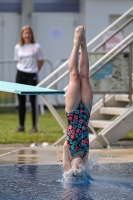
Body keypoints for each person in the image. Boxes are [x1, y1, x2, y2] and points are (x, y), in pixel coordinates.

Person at [62, 26, 93, 178]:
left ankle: (76, 42)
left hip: (73, 113)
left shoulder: (68, 150)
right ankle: (84, 42)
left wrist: (71, 172)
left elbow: (66, 175)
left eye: (77, 167)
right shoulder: (85, 153)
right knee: (85, 76)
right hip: (85, 112)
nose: (80, 165)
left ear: (72, 164)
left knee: (75, 76)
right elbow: (86, 176)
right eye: (82, 167)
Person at [14, 25, 44, 133]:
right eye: (25, 33)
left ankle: (34, 126)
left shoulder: (36, 46)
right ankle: (21, 125)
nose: (27, 35)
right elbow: (17, 60)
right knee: (21, 100)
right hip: (20, 73)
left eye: (28, 33)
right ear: (22, 35)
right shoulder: (18, 47)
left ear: (31, 34)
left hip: (32, 74)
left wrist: (34, 70)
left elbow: (41, 61)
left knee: (32, 100)